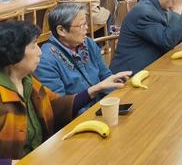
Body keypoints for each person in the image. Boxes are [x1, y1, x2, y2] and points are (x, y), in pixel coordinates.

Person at [0, 21, 130, 161]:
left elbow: (55, 105)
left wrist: (97, 88)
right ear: (13, 53)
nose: (40, 52)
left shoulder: (29, 82)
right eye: (33, 46)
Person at [35, 3, 131, 112]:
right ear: (61, 30)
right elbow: (59, 108)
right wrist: (96, 90)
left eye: (86, 23)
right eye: (82, 25)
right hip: (77, 119)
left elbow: (105, 75)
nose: (87, 28)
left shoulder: (88, 44)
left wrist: (117, 93)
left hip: (101, 107)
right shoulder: (46, 60)